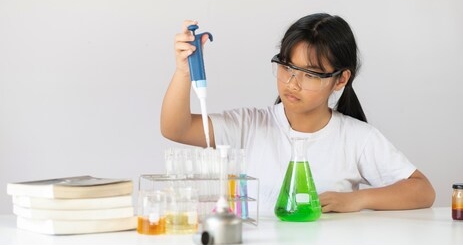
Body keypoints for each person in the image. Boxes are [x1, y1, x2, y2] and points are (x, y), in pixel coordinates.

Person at [161, 13, 435, 214]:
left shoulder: (356, 138)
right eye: (287, 67)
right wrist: (184, 71)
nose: (292, 83)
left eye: (310, 74)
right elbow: (176, 128)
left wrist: (357, 200)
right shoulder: (249, 125)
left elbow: (422, 190)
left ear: (340, 80)